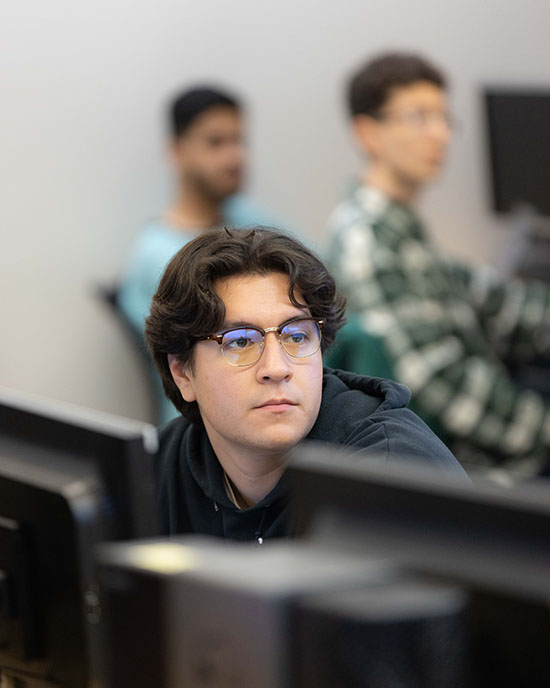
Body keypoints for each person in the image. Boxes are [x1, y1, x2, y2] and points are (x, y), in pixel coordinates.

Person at [145, 226, 465, 540]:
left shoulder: (388, 472)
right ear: (183, 372)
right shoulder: (159, 468)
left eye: (296, 336)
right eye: (240, 341)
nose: (277, 368)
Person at [327, 52, 550, 477]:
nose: (441, 134)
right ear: (367, 132)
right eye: (419, 117)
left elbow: (497, 301)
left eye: (445, 118)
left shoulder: (401, 231)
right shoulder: (368, 242)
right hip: (467, 470)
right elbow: (442, 386)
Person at [118, 85, 279, 423]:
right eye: (216, 143)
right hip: (206, 429)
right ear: (177, 151)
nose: (234, 157)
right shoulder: (159, 256)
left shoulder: (250, 218)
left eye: (239, 141)